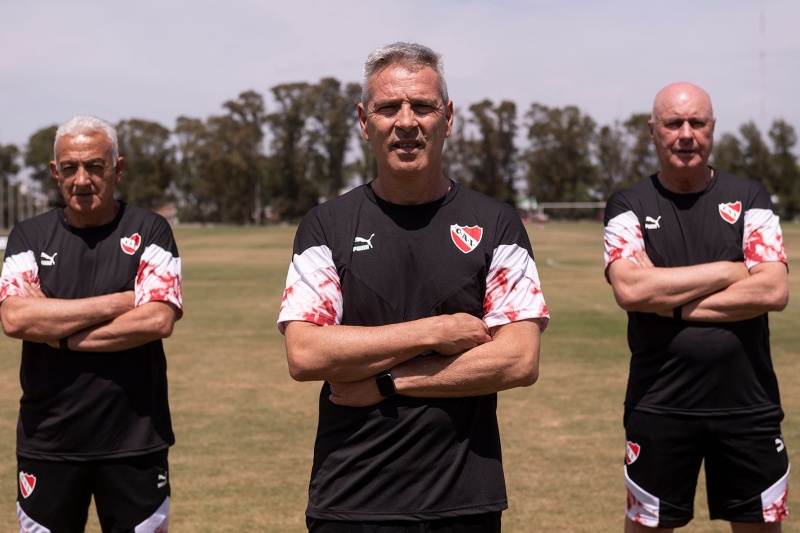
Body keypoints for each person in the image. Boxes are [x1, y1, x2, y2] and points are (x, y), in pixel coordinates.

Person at [277, 42, 549, 532]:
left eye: (422, 106)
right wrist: (433, 332)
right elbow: (306, 353)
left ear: (448, 118)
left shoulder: (497, 224)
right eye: (388, 108)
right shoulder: (325, 226)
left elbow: (518, 359)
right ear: (364, 121)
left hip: (464, 502)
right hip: (350, 500)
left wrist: (388, 382)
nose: (406, 122)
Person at [604, 82, 790, 532]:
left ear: (712, 128)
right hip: (659, 404)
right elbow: (631, 290)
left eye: (697, 122)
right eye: (673, 123)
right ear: (653, 131)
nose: (686, 134)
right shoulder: (628, 205)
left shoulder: (750, 197)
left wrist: (669, 302)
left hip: (749, 405)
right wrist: (730, 271)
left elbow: (772, 290)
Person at [0, 115, 183, 533]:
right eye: (70, 168)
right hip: (48, 442)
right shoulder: (29, 236)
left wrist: (58, 334)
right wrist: (122, 300)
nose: (82, 180)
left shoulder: (151, 230)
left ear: (118, 168)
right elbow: (15, 317)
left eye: (95, 166)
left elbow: (157, 319)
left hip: (135, 440)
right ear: (55, 171)